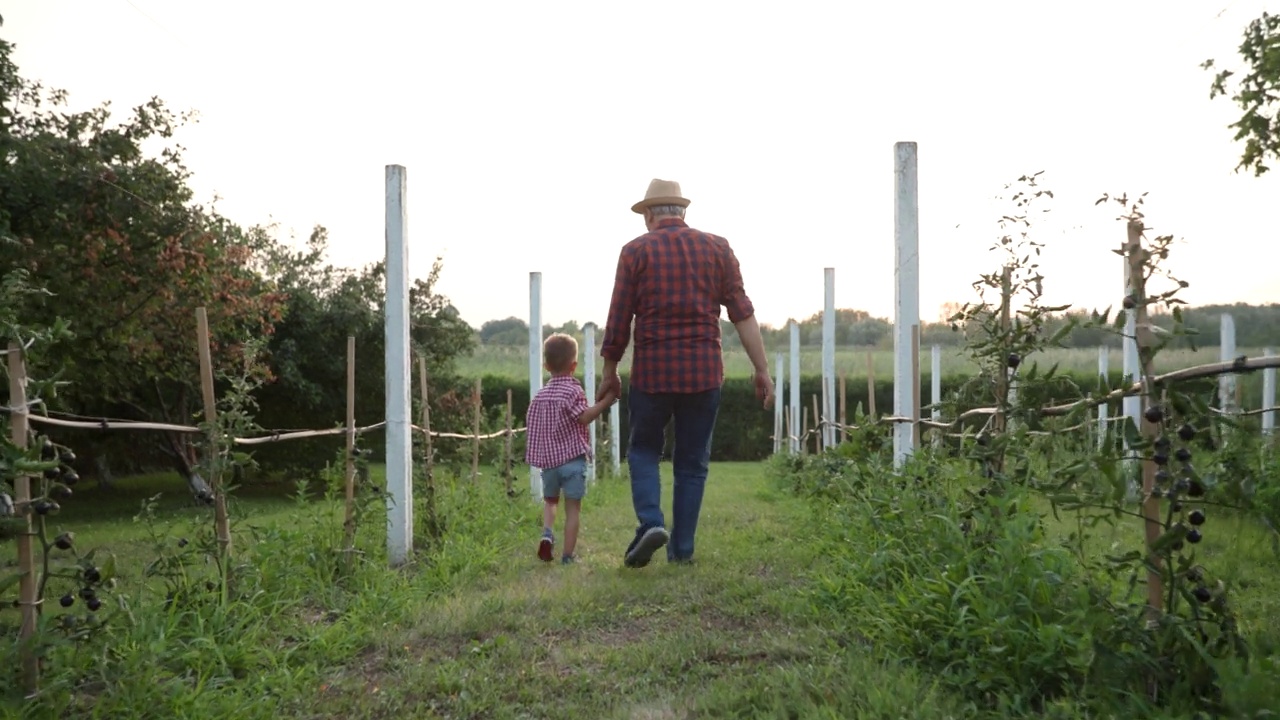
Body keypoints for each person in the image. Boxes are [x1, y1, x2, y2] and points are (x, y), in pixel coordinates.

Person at [598, 178, 775, 569]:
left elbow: (619, 317)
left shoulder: (635, 252)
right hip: (704, 374)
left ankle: (650, 523)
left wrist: (610, 369)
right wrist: (761, 369)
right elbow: (742, 312)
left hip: (652, 373)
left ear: (648, 215)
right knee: (692, 462)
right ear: (682, 212)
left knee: (643, 450)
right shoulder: (717, 247)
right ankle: (683, 551)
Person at [525, 332, 617, 565]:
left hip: (550, 465)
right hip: (572, 460)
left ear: (546, 365)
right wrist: (605, 402)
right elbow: (584, 418)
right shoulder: (573, 391)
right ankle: (567, 556)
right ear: (574, 365)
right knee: (573, 509)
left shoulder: (540, 397)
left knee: (550, 501)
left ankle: (547, 533)